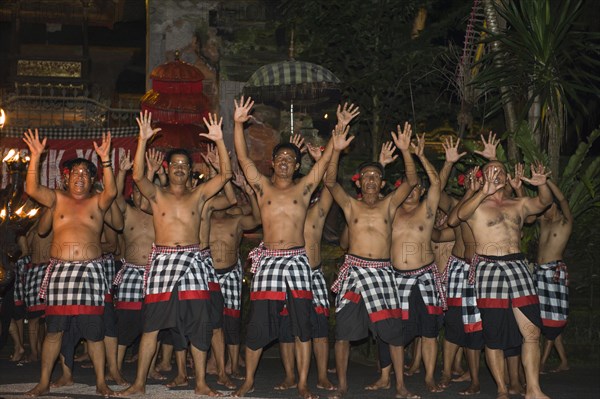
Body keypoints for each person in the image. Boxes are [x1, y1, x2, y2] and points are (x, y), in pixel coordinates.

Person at [116, 110, 232, 397]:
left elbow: (227, 175)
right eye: (175, 164)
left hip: (194, 262)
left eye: (185, 164)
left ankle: (202, 383)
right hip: (163, 261)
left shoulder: (199, 194)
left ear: (190, 170)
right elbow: (139, 175)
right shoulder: (156, 194)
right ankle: (139, 383)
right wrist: (142, 140)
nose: (180, 168)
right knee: (152, 326)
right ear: (167, 168)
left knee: (199, 323)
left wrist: (219, 140)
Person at [231, 96, 336, 399]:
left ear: (296, 165)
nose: (286, 163)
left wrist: (336, 135)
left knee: (302, 324)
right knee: (258, 326)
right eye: (281, 159)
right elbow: (243, 158)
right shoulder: (262, 186)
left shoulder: (304, 190)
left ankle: (303, 383)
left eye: (291, 159)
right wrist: (238, 123)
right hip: (269, 262)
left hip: (298, 261)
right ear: (273, 163)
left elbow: (324, 166)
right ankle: (249, 380)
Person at [326, 122, 418, 399]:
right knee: (343, 332)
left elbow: (412, 181)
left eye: (375, 176)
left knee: (393, 332)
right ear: (359, 181)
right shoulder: (350, 205)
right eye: (365, 175)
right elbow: (329, 182)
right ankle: (342, 386)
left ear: (382, 183)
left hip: (381, 273)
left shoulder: (389, 204)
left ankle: (401, 386)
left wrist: (405, 151)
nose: (370, 179)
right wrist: (336, 151)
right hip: (353, 271)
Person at [23, 129, 117, 397]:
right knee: (53, 331)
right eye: (75, 173)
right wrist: (35, 156)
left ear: (91, 180)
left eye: (86, 174)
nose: (80, 177)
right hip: (60, 272)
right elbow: (31, 188)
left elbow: (111, 191)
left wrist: (106, 160)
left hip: (90, 273)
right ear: (67, 178)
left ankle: (101, 381)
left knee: (95, 333)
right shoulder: (57, 198)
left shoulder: (98, 202)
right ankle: (43, 382)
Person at [456, 160, 552, 399]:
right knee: (494, 334)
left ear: (507, 177)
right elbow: (459, 215)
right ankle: (501, 388)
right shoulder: (477, 205)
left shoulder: (517, 204)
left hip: (518, 266)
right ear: (483, 176)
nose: (495, 174)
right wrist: (481, 193)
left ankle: (533, 390)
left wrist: (542, 185)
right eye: (489, 170)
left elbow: (543, 202)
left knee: (531, 332)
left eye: (500, 170)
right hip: (488, 269)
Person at [369, 133, 445, 394]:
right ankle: (385, 377)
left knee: (429, 331)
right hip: (395, 278)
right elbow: (372, 194)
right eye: (407, 187)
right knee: (391, 330)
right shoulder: (390, 209)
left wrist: (420, 154)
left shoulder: (427, 209)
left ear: (421, 191)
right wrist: (382, 164)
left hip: (424, 276)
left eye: (416, 188)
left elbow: (437, 183)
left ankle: (429, 378)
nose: (411, 192)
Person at [536, 179, 572, 373]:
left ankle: (542, 362)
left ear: (555, 208)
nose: (543, 212)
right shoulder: (544, 222)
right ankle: (564, 362)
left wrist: (547, 181)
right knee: (546, 317)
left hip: (554, 273)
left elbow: (563, 199)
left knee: (554, 319)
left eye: (547, 208)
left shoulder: (565, 223)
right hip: (540, 273)